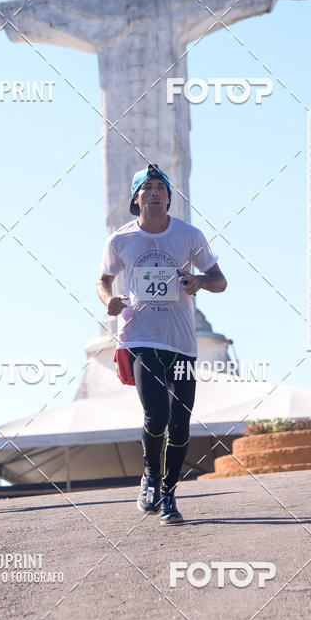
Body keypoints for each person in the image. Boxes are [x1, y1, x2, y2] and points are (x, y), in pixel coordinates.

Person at [97, 164, 227, 525]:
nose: (154, 193)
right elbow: (103, 280)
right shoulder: (120, 240)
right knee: (157, 414)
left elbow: (220, 281)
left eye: (161, 188)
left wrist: (198, 282)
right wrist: (107, 299)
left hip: (181, 342)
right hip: (140, 337)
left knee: (181, 424)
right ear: (136, 199)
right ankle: (151, 476)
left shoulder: (189, 235)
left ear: (169, 197)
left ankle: (169, 495)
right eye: (147, 188)